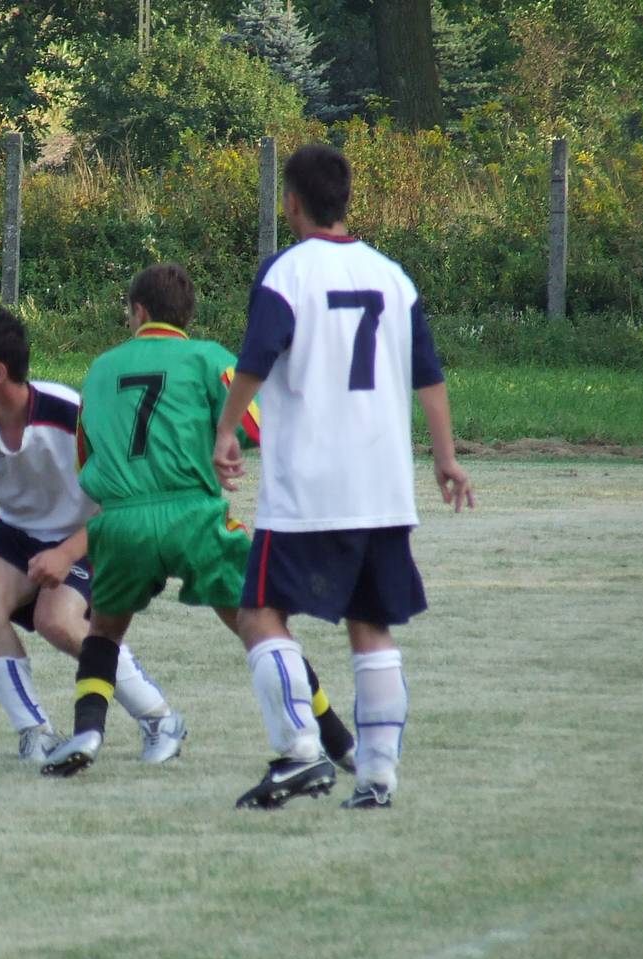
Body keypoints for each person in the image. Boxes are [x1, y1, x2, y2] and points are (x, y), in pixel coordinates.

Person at [215, 143, 474, 810]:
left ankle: (299, 753)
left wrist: (226, 428)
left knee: (259, 613)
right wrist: (445, 457)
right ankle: (377, 777)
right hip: (382, 488)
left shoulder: (286, 272)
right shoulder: (392, 276)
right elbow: (428, 376)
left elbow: (256, 357)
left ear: (291, 202)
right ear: (345, 200)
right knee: (370, 625)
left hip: (308, 488)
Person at [42, 264, 355, 778]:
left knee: (103, 632)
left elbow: (85, 459)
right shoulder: (209, 358)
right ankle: (337, 739)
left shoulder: (100, 369)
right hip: (192, 513)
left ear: (138, 311)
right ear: (186, 315)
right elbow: (253, 424)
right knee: (264, 629)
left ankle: (88, 732)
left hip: (121, 520)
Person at [0, 307, 188, 764]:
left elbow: (122, 502)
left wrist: (66, 553)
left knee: (56, 619)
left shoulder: (73, 414)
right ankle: (36, 734)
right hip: (17, 534)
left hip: (93, 533)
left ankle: (159, 718)